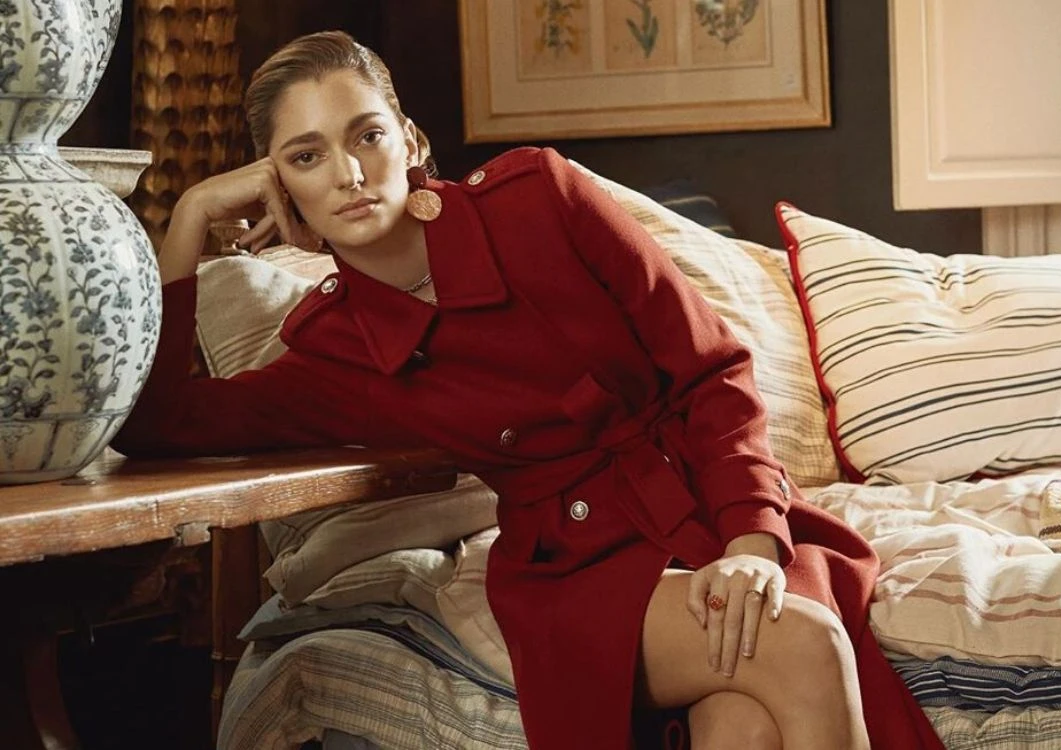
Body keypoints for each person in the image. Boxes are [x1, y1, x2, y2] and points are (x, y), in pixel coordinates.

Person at [112, 31, 943, 750]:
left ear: (408, 138)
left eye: (366, 135)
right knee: (800, 643)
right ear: (280, 185)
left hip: (714, 510)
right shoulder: (338, 348)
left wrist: (753, 543)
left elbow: (711, 371)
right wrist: (188, 216)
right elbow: (157, 423)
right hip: (575, 570)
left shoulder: (540, 196)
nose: (349, 173)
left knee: (743, 723)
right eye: (306, 156)